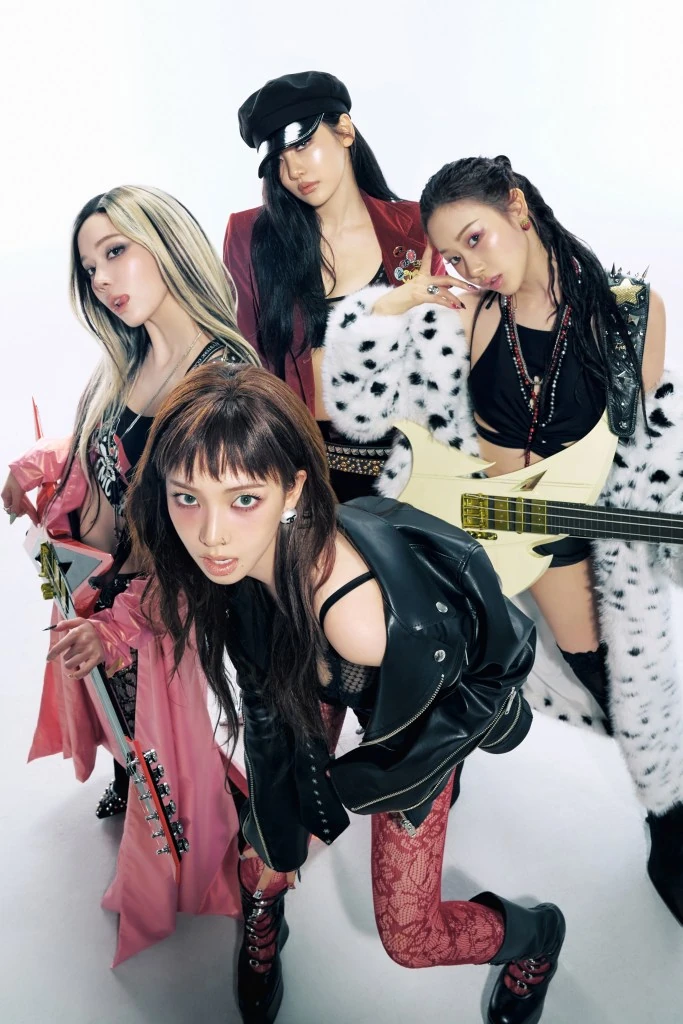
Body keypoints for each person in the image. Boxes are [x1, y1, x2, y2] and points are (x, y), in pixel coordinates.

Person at [123, 361, 565, 1024]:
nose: (211, 534)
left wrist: (348, 788)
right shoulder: (235, 564)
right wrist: (283, 834)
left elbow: (448, 716)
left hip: (421, 718)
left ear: (293, 488)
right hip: (316, 661)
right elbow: (265, 700)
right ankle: (265, 907)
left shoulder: (360, 624)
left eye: (243, 499)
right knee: (265, 846)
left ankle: (537, 939)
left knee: (410, 940)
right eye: (187, 497)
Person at [321, 154, 683, 927]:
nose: (470, 266)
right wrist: (390, 310)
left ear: (517, 207)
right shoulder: (468, 315)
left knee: (617, 687)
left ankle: (670, 821)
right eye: (452, 254)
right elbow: (361, 408)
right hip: (459, 543)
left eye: (475, 238)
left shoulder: (628, 311)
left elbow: (638, 457)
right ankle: (433, 772)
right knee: (415, 665)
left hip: (566, 542)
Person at [2, 184, 259, 961]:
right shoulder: (133, 354)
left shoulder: (222, 384)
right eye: (91, 267)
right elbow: (104, 448)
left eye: (117, 250)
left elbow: (207, 546)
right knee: (115, 718)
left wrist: (116, 629)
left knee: (164, 750)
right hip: (90, 581)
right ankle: (130, 778)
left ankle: (226, 865)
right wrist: (35, 465)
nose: (105, 279)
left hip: (155, 612)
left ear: (167, 240)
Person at [224, 70, 460, 502]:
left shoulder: (414, 227)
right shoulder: (252, 238)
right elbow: (251, 369)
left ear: (345, 130)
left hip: (410, 476)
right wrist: (384, 312)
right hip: (308, 477)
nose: (293, 170)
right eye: (278, 161)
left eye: (302, 145)